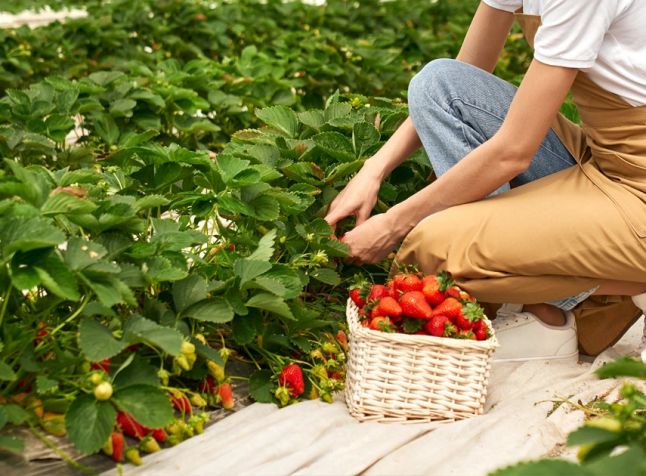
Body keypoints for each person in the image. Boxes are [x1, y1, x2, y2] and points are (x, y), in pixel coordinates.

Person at [324, 0, 646, 361]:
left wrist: (394, 223)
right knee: (440, 84)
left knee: (436, 249)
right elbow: (466, 71)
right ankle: (539, 288)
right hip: (604, 157)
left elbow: (512, 152)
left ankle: (591, 293)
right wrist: (372, 171)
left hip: (638, 188)